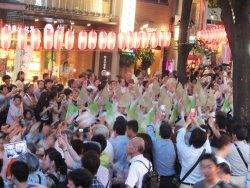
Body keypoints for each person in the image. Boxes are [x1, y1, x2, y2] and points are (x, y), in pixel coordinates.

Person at [177, 114, 211, 187]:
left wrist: (186, 124)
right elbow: (205, 139)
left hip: (185, 184)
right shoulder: (207, 151)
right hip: (200, 185)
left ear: (191, 139)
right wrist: (197, 123)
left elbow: (179, 138)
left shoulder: (185, 150)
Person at [147, 121, 176, 188]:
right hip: (171, 180)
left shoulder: (155, 143)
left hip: (157, 179)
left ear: (159, 133)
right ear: (171, 134)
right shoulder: (176, 146)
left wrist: (155, 120)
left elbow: (149, 132)